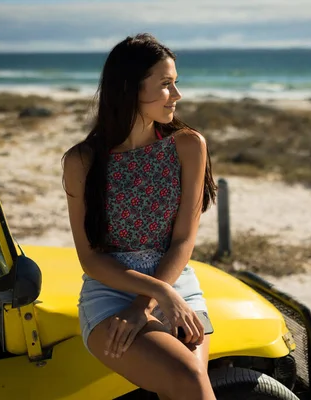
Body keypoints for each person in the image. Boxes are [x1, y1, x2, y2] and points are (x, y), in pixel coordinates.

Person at [62, 33, 218, 400]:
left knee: (192, 379)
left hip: (176, 283)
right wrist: (153, 295)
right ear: (131, 89)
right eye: (166, 85)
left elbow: (183, 241)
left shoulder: (188, 146)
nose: (177, 95)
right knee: (190, 381)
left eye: (175, 83)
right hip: (111, 292)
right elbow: (90, 258)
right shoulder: (82, 162)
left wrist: (150, 302)